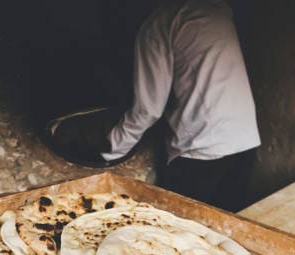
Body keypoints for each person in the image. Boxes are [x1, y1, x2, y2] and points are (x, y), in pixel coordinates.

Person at [101, 0, 260, 212]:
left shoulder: (159, 25)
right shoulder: (216, 9)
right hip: (245, 140)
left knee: (171, 231)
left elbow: (148, 110)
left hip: (203, 148)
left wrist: (110, 150)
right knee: (225, 228)